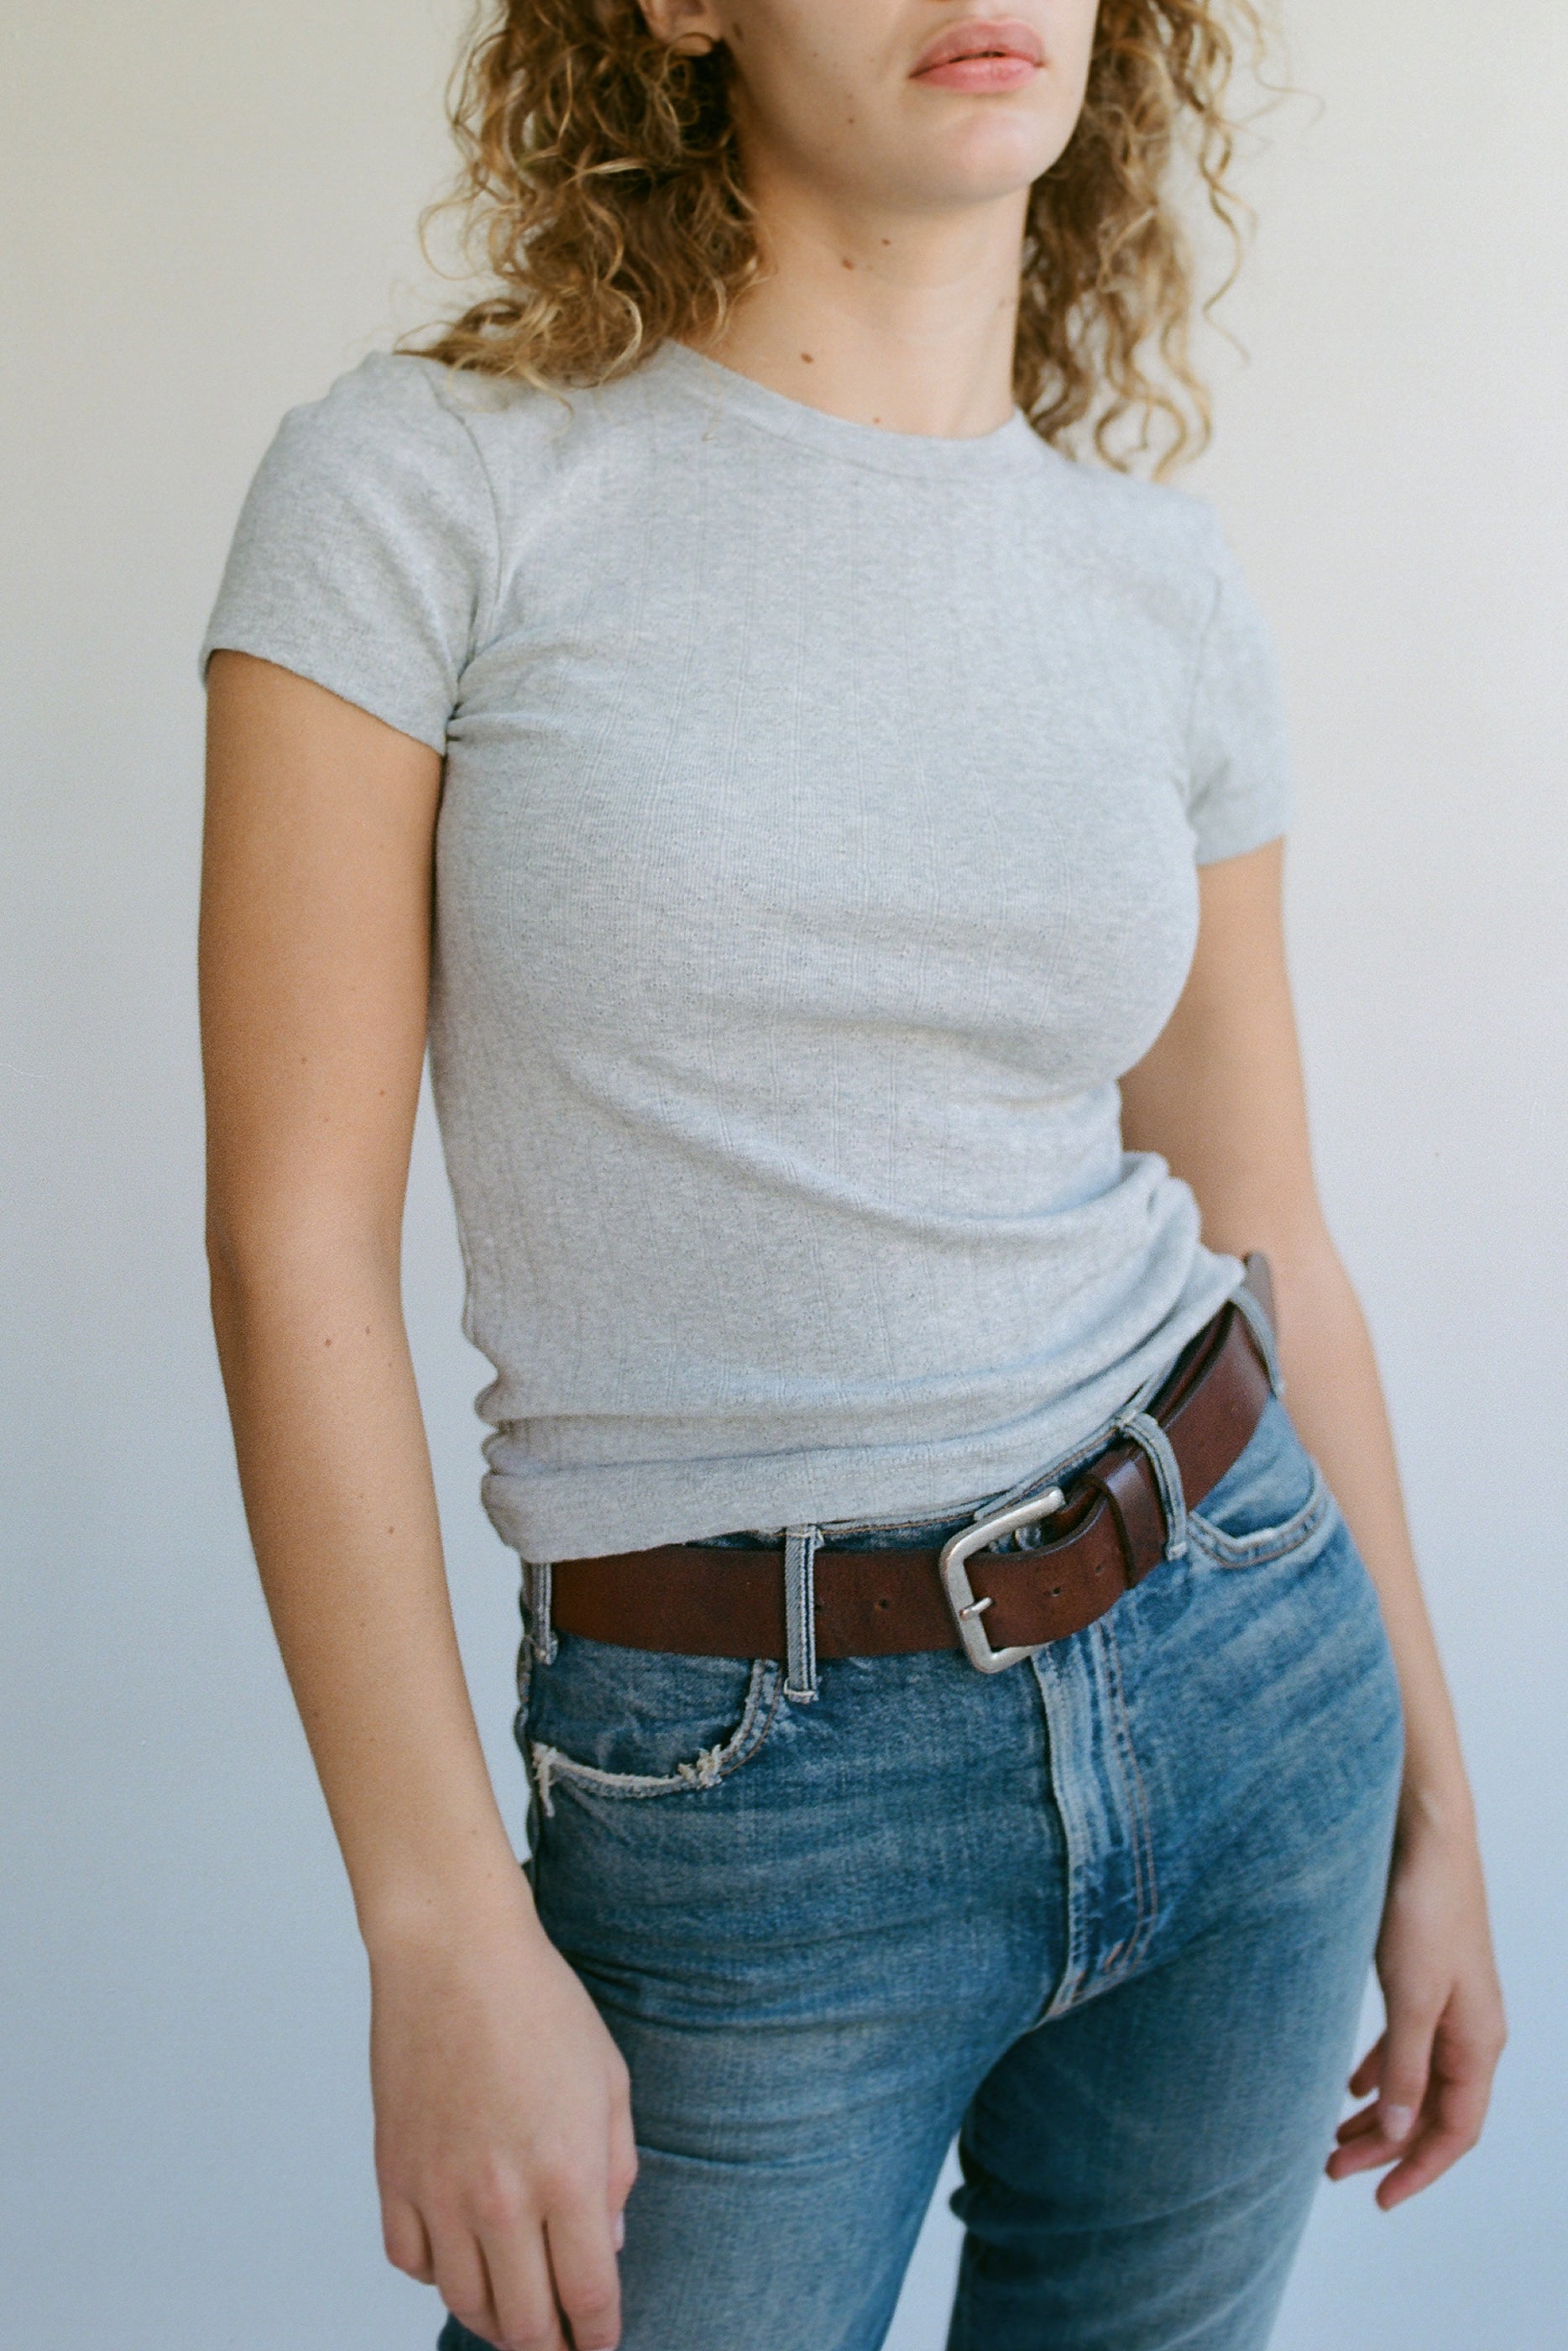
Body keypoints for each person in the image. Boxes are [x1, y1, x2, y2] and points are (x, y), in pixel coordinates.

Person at [197, 4, 1505, 2347]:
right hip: (743, 1792)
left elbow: (1266, 1223)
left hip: (1247, 1660)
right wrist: (435, 1926)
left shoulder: (1155, 583)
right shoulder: (430, 486)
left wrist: (1437, 1798)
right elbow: (289, 1236)